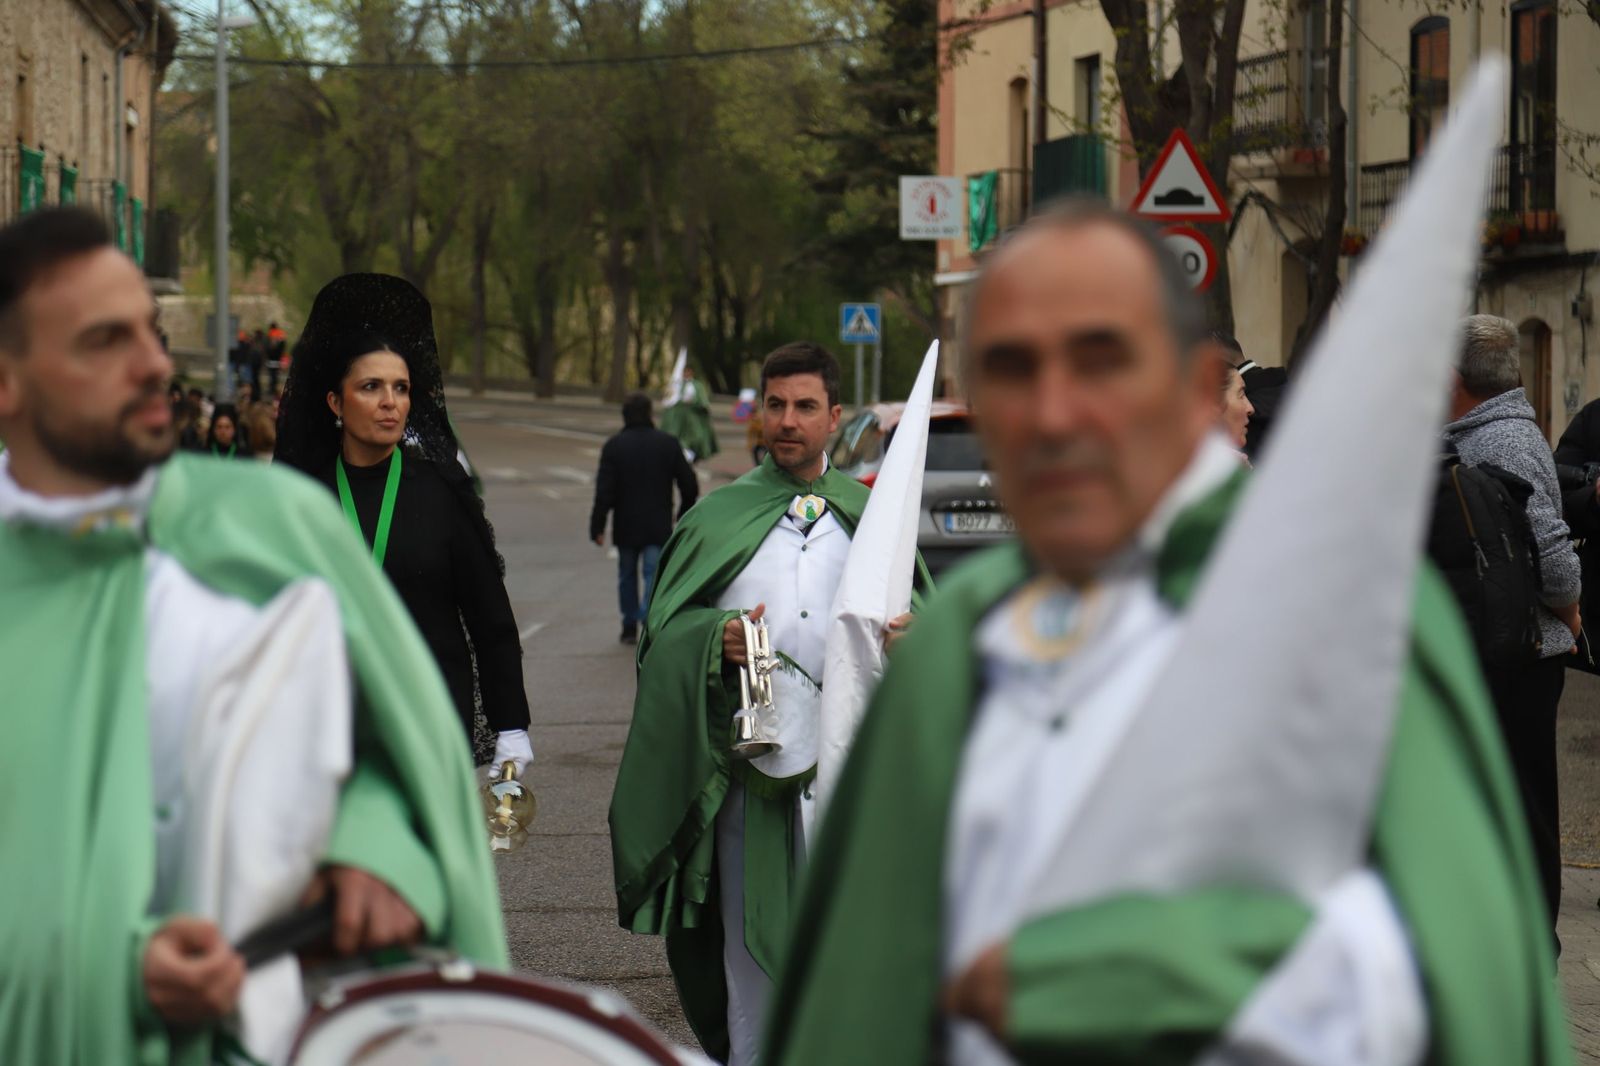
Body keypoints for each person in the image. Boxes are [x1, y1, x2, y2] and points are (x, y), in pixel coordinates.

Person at [764, 201, 1567, 1064]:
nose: (1055, 413)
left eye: (1102, 362)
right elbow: (858, 1000)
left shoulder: (1350, 612)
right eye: (1010, 369)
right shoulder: (960, 640)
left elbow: (1470, 978)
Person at [0, 207, 506, 1062]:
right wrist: (111, 965)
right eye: (104, 341)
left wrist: (372, 848)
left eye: (152, 334)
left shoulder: (276, 531)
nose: (155, 365)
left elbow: (387, 758)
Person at [609, 342, 911, 1065]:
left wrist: (915, 641)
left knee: (850, 940)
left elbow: (919, 623)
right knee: (750, 947)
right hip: (754, 774)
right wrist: (716, 641)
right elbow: (664, 635)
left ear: (835, 417)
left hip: (851, 776)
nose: (787, 420)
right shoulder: (718, 519)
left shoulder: (872, 520)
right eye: (775, 404)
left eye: (805, 406)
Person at [276, 272, 534, 772]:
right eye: (370, 387)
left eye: (401, 388)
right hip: (329, 729)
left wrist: (511, 725)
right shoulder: (300, 500)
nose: (390, 402)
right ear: (335, 402)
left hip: (430, 722)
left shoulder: (442, 490)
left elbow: (489, 618)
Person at [1443, 313, 1581, 934]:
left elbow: (1554, 556)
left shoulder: (1501, 442)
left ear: (1454, 378)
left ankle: (1533, 947)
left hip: (1521, 655)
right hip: (1505, 652)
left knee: (1525, 809)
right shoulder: (1483, 431)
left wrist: (1568, 605)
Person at [590, 390, 700, 644]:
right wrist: (683, 513)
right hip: (657, 524)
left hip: (625, 525)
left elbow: (604, 491)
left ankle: (629, 625)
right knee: (653, 574)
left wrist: (597, 526)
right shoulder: (668, 443)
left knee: (626, 575)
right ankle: (648, 619)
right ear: (650, 414)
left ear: (624, 416)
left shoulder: (614, 446)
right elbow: (689, 484)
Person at [660, 364, 720, 462]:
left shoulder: (697, 385)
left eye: (688, 371)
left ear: (692, 372)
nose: (686, 374)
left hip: (693, 417)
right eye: (684, 371)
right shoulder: (676, 385)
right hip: (678, 418)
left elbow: (702, 400)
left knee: (696, 437)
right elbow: (669, 400)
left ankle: (693, 457)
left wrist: (698, 404)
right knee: (676, 438)